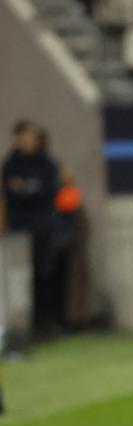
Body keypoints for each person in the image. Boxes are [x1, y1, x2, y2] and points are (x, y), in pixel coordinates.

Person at [1, 120, 60, 340]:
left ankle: (47, 323)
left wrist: (25, 189)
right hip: (19, 230)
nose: (26, 142)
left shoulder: (47, 163)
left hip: (44, 227)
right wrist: (31, 190)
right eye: (23, 138)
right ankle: (25, 326)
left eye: (30, 137)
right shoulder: (11, 164)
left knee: (45, 275)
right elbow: (11, 193)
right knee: (21, 279)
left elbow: (48, 192)